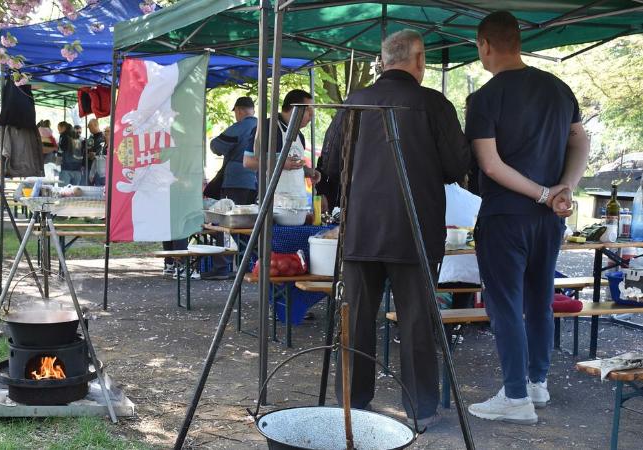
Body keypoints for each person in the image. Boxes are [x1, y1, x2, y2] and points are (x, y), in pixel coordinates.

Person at [331, 29, 471, 431]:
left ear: (383, 60)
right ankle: (421, 409)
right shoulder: (433, 105)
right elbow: (455, 166)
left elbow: (330, 163)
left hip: (361, 230)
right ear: (418, 60)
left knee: (355, 319)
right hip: (416, 229)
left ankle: (352, 407)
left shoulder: (355, 101)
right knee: (416, 322)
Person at [465, 11, 589, 424]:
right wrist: (563, 190)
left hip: (505, 216)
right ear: (518, 41)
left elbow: (490, 163)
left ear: (484, 45)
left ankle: (515, 395)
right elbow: (580, 140)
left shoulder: (484, 98)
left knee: (505, 305)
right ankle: (537, 382)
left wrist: (541, 193)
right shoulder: (559, 88)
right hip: (549, 219)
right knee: (539, 301)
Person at [203, 97, 259, 280]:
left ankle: (222, 266)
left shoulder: (241, 126)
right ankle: (248, 263)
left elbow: (217, 145)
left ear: (240, 111)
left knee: (226, 223)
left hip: (236, 181)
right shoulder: (264, 126)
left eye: (235, 112)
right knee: (249, 225)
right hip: (257, 182)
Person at [243, 89, 320, 199]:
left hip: (297, 201)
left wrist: (308, 171)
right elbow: (248, 162)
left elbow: (292, 165)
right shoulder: (267, 127)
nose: (312, 115)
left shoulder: (300, 136)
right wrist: (280, 164)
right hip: (272, 202)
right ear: (294, 109)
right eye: (308, 109)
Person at [57, 121, 83, 185]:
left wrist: (57, 165)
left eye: (59, 129)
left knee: (64, 191)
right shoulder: (79, 137)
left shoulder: (63, 136)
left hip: (66, 168)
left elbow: (60, 151)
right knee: (75, 192)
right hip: (78, 169)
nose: (58, 131)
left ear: (63, 127)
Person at [84, 118, 107, 186]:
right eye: (88, 127)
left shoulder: (103, 137)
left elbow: (102, 152)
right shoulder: (91, 137)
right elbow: (87, 150)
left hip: (97, 168)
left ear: (96, 125)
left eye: (90, 127)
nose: (89, 129)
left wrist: (95, 154)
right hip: (87, 166)